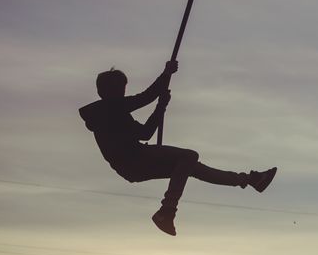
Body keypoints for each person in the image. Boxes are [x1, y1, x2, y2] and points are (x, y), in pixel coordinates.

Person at [79, 60, 276, 235]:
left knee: (191, 166)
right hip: (136, 158)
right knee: (190, 156)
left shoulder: (113, 114)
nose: (122, 92)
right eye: (120, 88)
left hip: (132, 167)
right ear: (106, 91)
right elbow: (146, 97)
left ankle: (250, 180)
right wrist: (166, 74)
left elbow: (146, 132)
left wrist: (161, 106)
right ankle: (167, 210)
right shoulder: (107, 109)